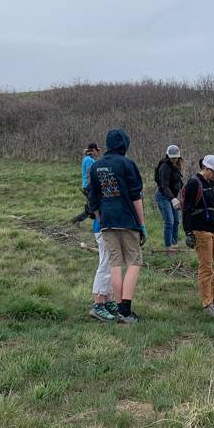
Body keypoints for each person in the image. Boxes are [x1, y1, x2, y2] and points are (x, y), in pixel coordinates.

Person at [88, 128, 146, 323]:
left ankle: (119, 306)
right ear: (124, 144)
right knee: (135, 262)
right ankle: (125, 309)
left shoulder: (96, 166)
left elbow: (92, 200)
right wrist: (142, 224)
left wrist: (101, 218)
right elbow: (136, 196)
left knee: (115, 264)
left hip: (107, 222)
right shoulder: (127, 164)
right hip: (127, 220)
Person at [182, 155, 214, 318]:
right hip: (201, 230)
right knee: (206, 267)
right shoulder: (193, 183)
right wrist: (188, 232)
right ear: (207, 169)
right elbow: (186, 209)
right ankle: (207, 304)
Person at [80, 142, 119, 322]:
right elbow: (93, 206)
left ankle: (108, 299)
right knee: (104, 264)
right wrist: (100, 219)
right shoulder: (95, 189)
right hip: (102, 228)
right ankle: (98, 303)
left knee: (111, 264)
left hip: (110, 226)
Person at [154, 145, 185, 251]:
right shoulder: (165, 167)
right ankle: (168, 247)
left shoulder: (176, 166)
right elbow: (164, 186)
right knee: (169, 221)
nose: (174, 159)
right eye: (172, 157)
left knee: (176, 221)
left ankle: (174, 244)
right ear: (168, 156)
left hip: (172, 197)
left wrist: (177, 197)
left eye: (176, 157)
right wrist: (173, 198)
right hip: (163, 196)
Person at [72, 143, 102, 224]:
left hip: (88, 186)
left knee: (93, 206)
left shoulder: (88, 158)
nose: (98, 152)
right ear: (93, 150)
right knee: (91, 207)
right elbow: (90, 174)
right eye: (97, 150)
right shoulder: (89, 160)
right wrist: (92, 187)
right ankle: (76, 220)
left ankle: (98, 224)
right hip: (89, 186)